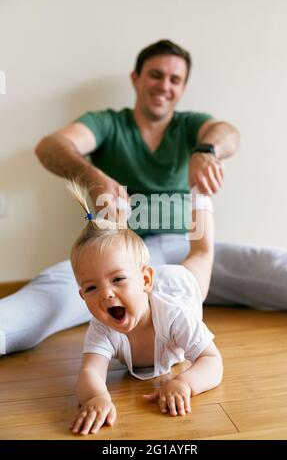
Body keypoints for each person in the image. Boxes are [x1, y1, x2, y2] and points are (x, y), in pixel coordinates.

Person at [1, 39, 287, 356]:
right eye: (156, 75)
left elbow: (229, 133)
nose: (164, 86)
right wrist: (91, 176)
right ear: (136, 78)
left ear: (183, 88)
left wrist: (206, 151)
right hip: (120, 259)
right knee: (43, 301)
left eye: (175, 80)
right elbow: (50, 146)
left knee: (276, 267)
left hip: (188, 247)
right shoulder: (108, 123)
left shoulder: (190, 126)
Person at [66, 180, 223, 435]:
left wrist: (185, 383)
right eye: (92, 288)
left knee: (202, 253)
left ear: (146, 280)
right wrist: (96, 397)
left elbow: (212, 360)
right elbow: (90, 373)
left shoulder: (174, 315)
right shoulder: (101, 329)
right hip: (143, 292)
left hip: (178, 287)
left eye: (117, 279)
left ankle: (199, 194)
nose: (106, 294)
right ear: (82, 296)